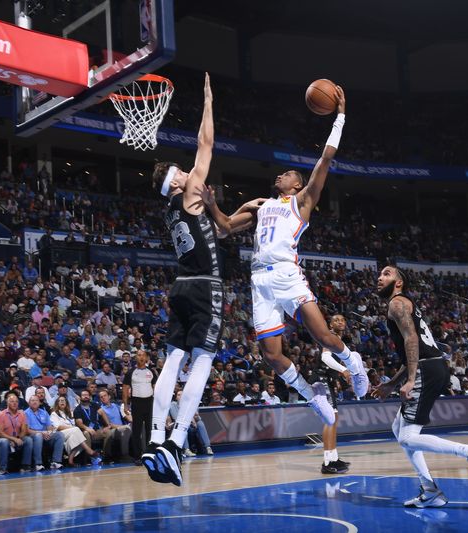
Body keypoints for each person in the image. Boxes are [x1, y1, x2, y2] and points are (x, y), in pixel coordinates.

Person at [201, 86, 368, 428]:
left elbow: (325, 159)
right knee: (272, 356)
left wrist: (340, 116)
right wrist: (211, 203)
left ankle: (353, 363)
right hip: (259, 280)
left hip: (286, 274)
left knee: (322, 336)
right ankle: (312, 395)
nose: (281, 174)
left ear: (296, 185)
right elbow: (225, 228)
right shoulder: (259, 205)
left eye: (288, 173)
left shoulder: (301, 202)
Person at [142, 73, 262, 487]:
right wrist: (209, 101)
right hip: (204, 286)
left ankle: (156, 438)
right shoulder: (189, 188)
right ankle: (176, 443)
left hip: (179, 286)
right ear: (175, 179)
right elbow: (206, 144)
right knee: (203, 362)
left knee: (172, 361)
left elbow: (223, 229)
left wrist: (236, 210)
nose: (185, 169)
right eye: (179, 169)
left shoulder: (172, 210)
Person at [372, 265, 468, 508]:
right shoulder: (403, 304)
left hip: (426, 370)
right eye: (380, 273)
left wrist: (409, 380)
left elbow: (412, 340)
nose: (379, 277)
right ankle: (430, 491)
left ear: (398, 283)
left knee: (407, 437)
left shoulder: (397, 303)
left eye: (387, 274)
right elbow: (413, 349)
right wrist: (392, 383)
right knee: (399, 429)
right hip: (430, 366)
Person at [316, 314, 353, 475]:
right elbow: (324, 357)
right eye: (336, 320)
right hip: (321, 378)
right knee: (330, 419)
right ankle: (327, 462)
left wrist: (337, 379)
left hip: (328, 380)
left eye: (342, 319)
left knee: (334, 419)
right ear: (330, 325)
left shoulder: (338, 338)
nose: (340, 321)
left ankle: (334, 457)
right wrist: (343, 369)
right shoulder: (330, 336)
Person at [123, 350, 155, 465]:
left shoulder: (151, 371)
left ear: (146, 357)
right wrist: (126, 404)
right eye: (139, 355)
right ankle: (137, 456)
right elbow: (125, 388)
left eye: (143, 355)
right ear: (136, 357)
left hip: (149, 402)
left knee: (149, 429)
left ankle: (149, 454)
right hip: (136, 403)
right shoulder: (131, 372)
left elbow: (155, 387)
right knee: (136, 430)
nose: (141, 357)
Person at [50, 396, 101, 467]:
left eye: (64, 400)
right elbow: (58, 427)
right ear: (57, 403)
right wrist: (72, 428)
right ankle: (89, 451)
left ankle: (70, 460)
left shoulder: (70, 413)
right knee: (77, 430)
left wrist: (74, 429)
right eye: (60, 401)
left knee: (76, 437)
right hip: (60, 434)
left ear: (66, 403)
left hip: (71, 434)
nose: (62, 402)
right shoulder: (54, 414)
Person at [0, 391, 34, 475]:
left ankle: (25, 466)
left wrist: (18, 438)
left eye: (16, 401)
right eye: (12, 401)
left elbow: (24, 431)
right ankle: (3, 468)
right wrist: (13, 439)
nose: (14, 403)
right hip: (3, 439)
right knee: (4, 442)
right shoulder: (1, 414)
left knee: (28, 440)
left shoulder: (22, 414)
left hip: (17, 437)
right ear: (7, 403)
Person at [25, 395, 65, 470]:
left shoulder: (44, 412)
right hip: (33, 435)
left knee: (60, 435)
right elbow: (27, 430)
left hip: (45, 434)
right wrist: (41, 432)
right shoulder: (25, 413)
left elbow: (50, 427)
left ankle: (56, 462)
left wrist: (48, 433)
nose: (34, 402)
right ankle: (38, 463)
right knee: (38, 435)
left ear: (39, 403)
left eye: (36, 400)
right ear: (29, 403)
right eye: (32, 400)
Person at [97, 388, 132, 463]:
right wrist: (120, 427)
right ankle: (124, 455)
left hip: (122, 427)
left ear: (109, 396)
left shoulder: (116, 406)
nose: (103, 398)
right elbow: (109, 425)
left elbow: (126, 414)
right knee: (126, 428)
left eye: (105, 396)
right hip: (113, 429)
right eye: (101, 397)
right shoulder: (101, 410)